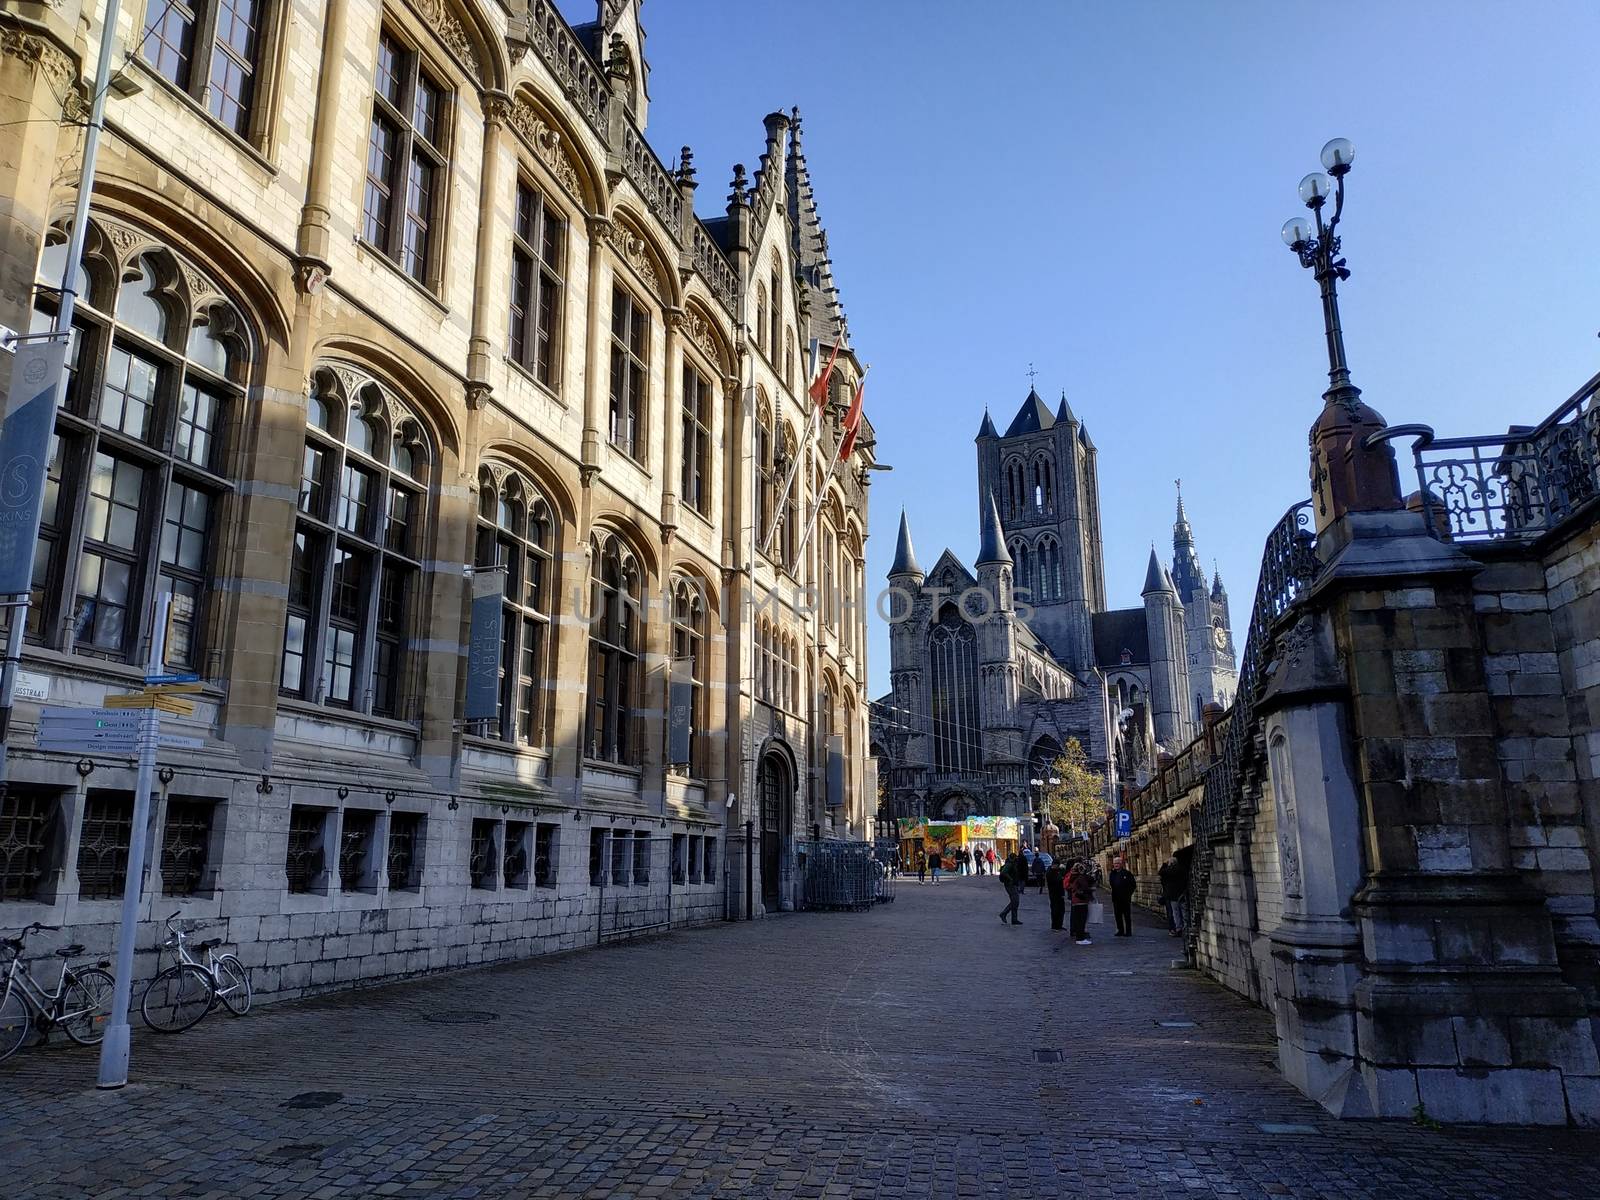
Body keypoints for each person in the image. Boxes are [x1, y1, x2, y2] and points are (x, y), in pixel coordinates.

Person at [1066, 859, 1095, 945]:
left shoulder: (1073, 877)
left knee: (1078, 919)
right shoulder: (1080, 878)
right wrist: (1090, 891)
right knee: (1081, 920)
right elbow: (1085, 887)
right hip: (1081, 900)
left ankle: (1079, 936)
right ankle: (1080, 938)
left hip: (1075, 900)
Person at [1159, 854, 1188, 936]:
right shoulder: (1181, 869)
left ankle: (1178, 928)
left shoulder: (1168, 871)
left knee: (1175, 913)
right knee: (1184, 911)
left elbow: (1160, 872)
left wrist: (1164, 864)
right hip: (1181, 893)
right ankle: (1186, 928)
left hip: (1172, 895)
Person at [1108, 855, 1137, 937]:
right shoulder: (1112, 873)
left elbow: (1133, 885)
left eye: (1118, 863)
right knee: (1118, 915)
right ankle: (1120, 930)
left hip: (1125, 898)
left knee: (1127, 915)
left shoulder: (1127, 873)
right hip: (1116, 898)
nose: (1116, 865)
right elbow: (1111, 883)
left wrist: (1128, 894)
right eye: (1114, 863)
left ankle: (1128, 931)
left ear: (1121, 864)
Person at [998, 852, 1025, 925]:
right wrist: (1010, 879)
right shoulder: (1010, 864)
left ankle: (1014, 919)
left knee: (1015, 902)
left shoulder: (1012, 864)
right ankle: (1004, 914)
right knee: (1015, 901)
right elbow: (1004, 872)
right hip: (1010, 885)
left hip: (1013, 884)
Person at [1045, 858, 1068, 931]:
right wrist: (1060, 877)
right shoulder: (1050, 872)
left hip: (1060, 893)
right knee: (1055, 910)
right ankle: (1055, 926)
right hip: (1054, 893)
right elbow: (1057, 880)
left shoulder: (1058, 871)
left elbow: (1064, 874)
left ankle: (1059, 925)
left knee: (1061, 910)